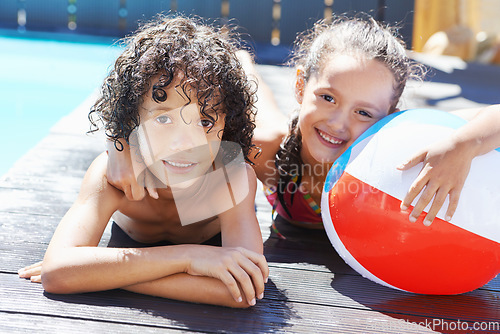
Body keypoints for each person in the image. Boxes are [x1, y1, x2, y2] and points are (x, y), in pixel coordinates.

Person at [100, 15, 500, 234]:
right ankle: (246, 60)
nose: (339, 123)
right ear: (301, 85)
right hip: (280, 131)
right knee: (252, 95)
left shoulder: (397, 141)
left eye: (365, 112)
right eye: (327, 98)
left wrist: (463, 144)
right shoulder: (267, 150)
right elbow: (147, 94)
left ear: (390, 115)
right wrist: (118, 145)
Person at [17, 15, 268, 308]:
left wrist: (103, 274)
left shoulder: (230, 176)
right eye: (163, 118)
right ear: (131, 119)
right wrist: (189, 257)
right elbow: (58, 272)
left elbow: (243, 291)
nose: (185, 143)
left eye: (204, 121)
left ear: (228, 125)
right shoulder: (113, 178)